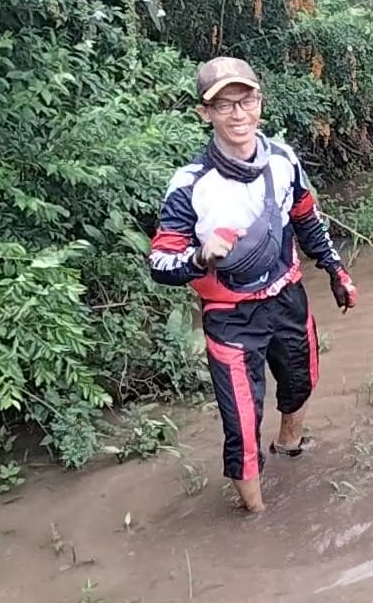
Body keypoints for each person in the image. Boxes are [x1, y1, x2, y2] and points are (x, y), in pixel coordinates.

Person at [147, 56, 358, 513]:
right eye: (224, 105)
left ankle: (289, 449)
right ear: (205, 114)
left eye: (246, 101)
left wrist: (336, 271)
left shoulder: (283, 161)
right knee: (242, 427)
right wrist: (201, 256)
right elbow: (161, 263)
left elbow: (306, 218)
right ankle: (258, 523)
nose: (238, 114)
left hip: (287, 298)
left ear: (260, 102)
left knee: (301, 384)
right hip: (230, 317)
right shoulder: (190, 185)